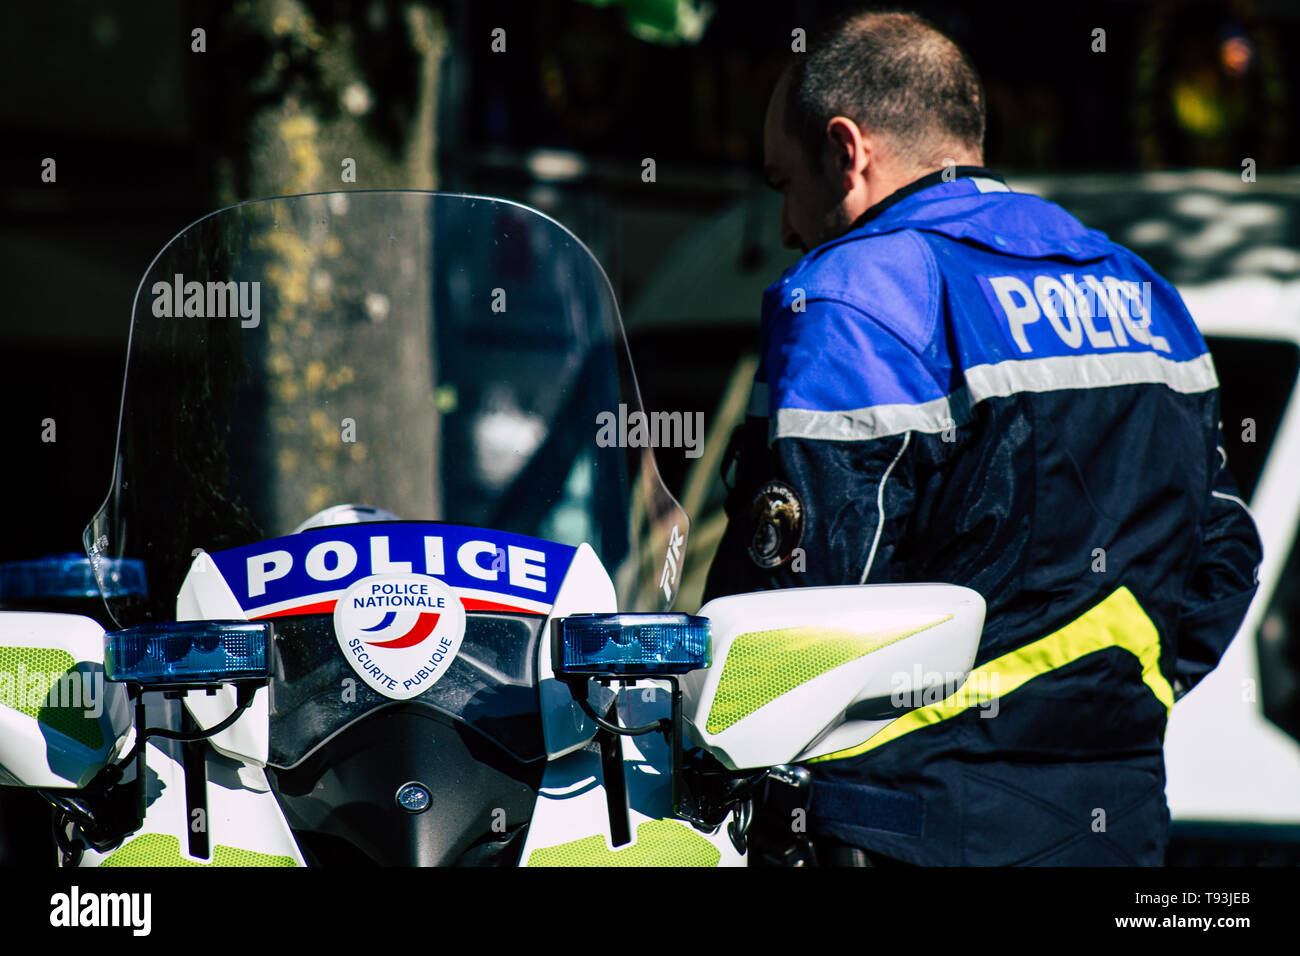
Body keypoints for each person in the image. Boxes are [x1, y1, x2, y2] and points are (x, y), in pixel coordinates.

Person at [703, 9, 1263, 866]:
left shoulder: (856, 293)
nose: (785, 227)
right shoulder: (1143, 291)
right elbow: (1223, 556)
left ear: (848, 151)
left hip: (902, 827)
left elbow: (799, 608)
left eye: (784, 183)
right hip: (1114, 823)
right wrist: (1115, 708)